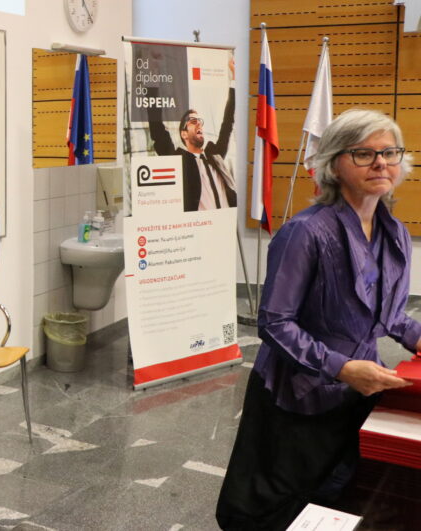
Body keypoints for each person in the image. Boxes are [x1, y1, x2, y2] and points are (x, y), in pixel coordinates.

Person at [216, 109, 421, 529]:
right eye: (363, 153)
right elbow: (275, 323)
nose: (380, 163)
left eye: (389, 152)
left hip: (358, 390)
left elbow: (388, 312)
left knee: (338, 492)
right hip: (297, 393)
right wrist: (341, 368)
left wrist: (417, 336)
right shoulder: (305, 232)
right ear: (333, 164)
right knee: (277, 504)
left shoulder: (395, 232)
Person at [149, 86, 237, 211]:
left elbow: (227, 123)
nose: (199, 124)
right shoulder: (180, 162)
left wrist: (234, 84)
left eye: (200, 121)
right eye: (193, 121)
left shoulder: (215, 155)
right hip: (201, 222)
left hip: (227, 219)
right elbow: (158, 132)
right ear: (184, 134)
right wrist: (152, 88)